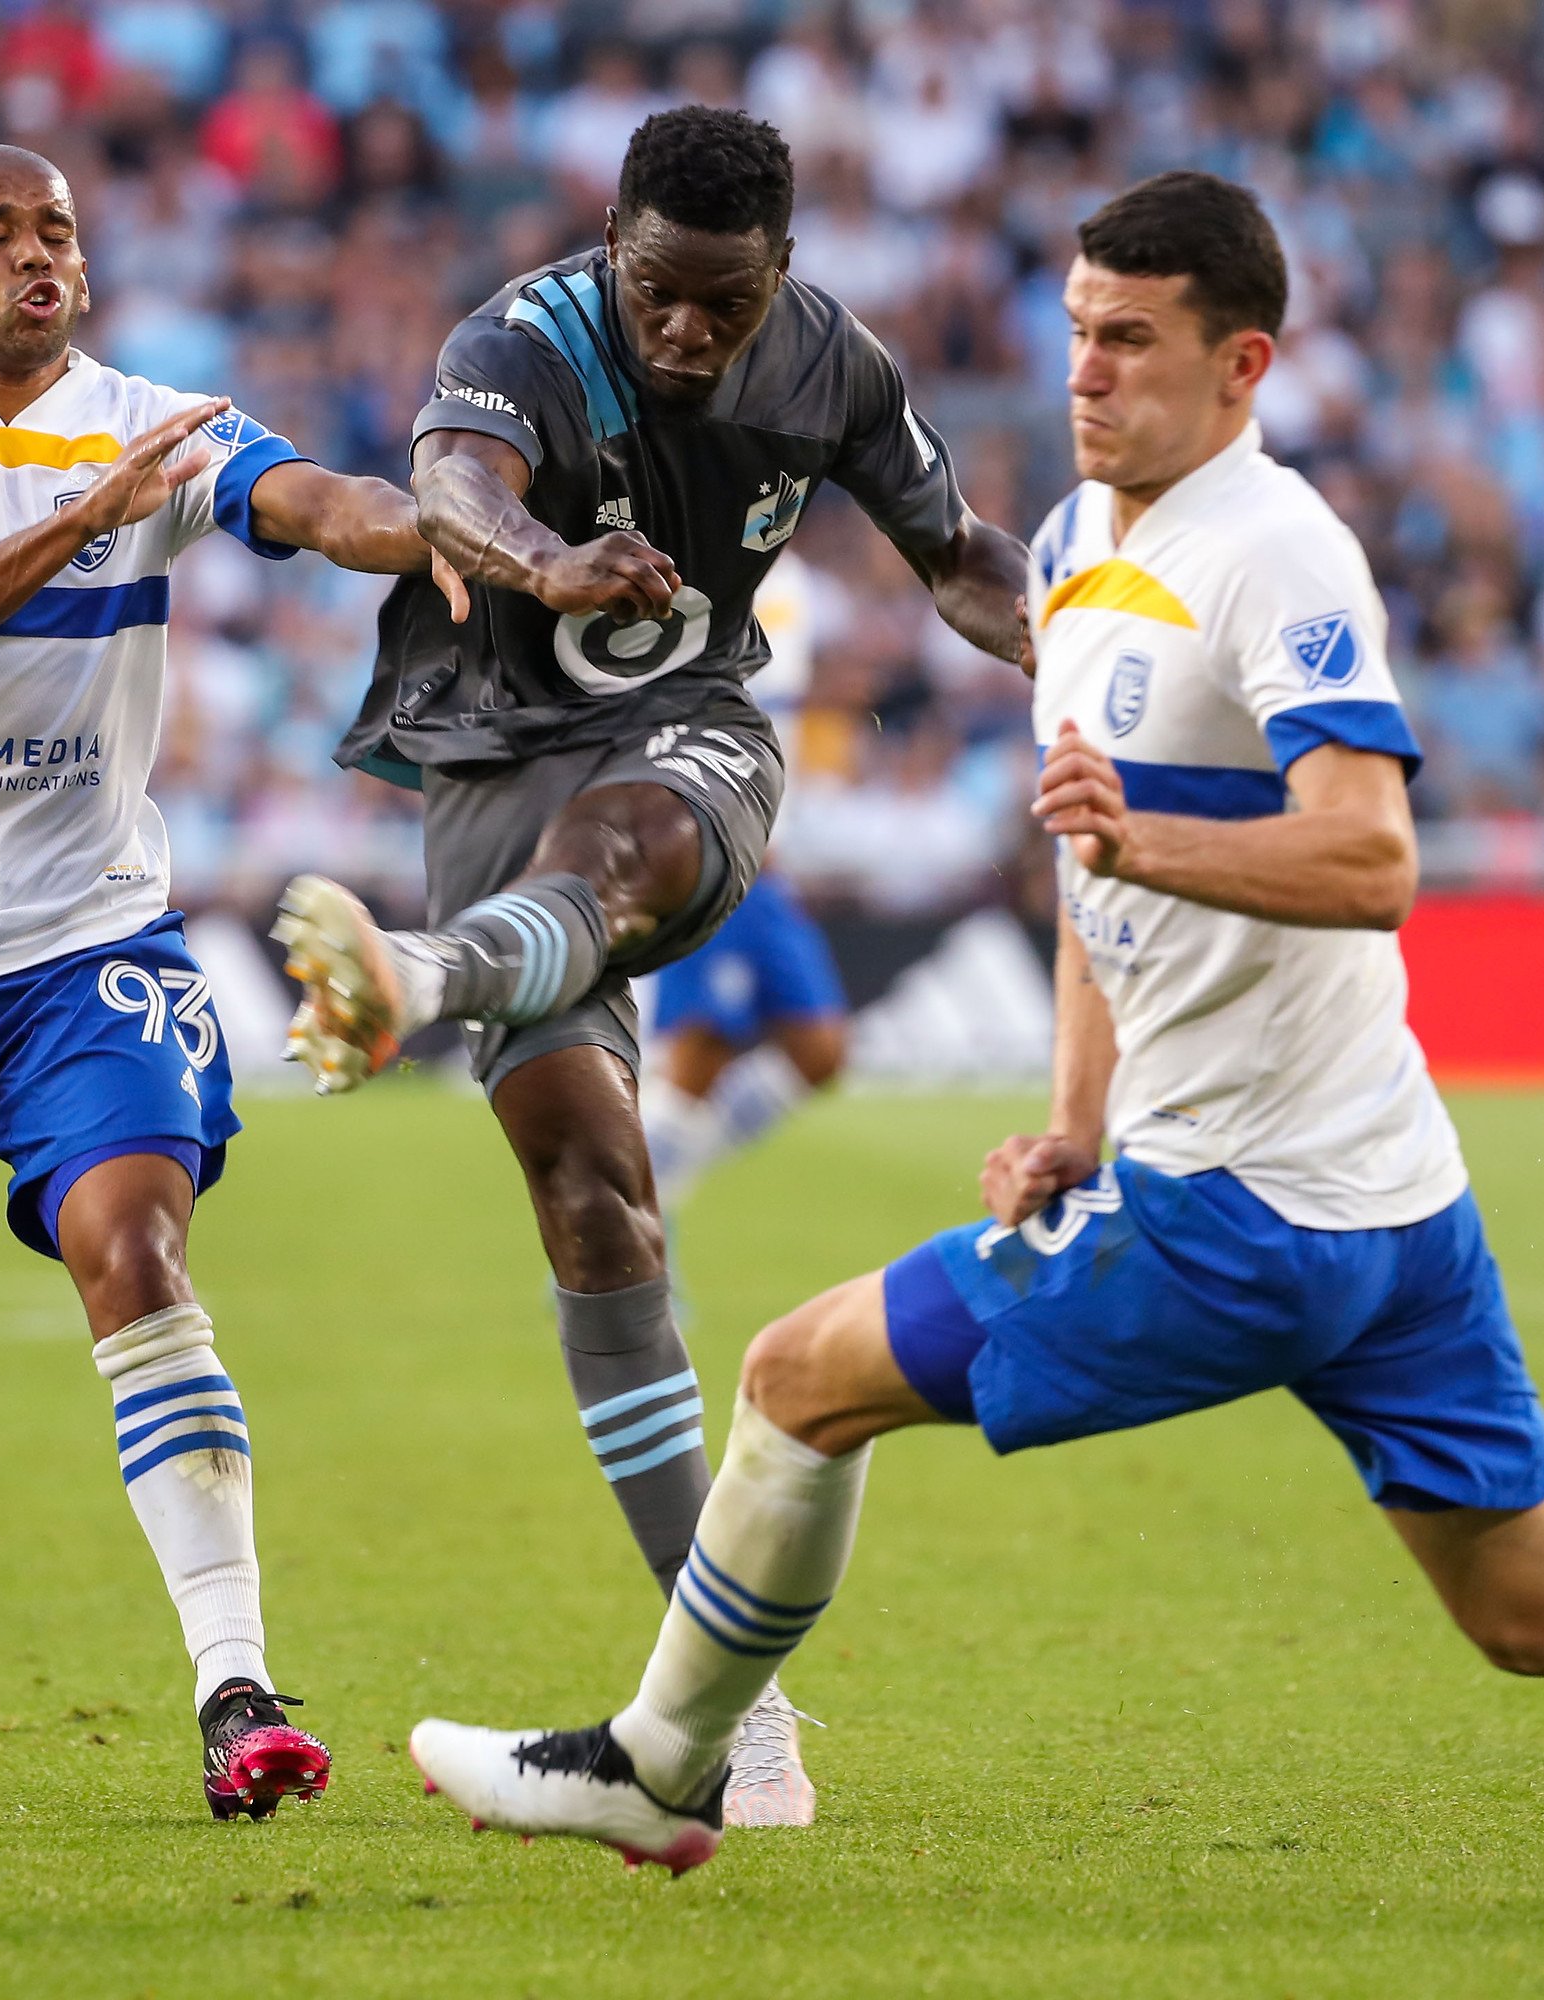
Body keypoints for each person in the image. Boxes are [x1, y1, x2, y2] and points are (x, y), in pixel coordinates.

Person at [404, 170, 1544, 1874]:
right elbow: (1098, 891)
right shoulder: (1079, 553)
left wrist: (1135, 834)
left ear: (1241, 367)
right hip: (1391, 1203)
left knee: (794, 1381)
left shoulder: (1276, 551)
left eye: (1133, 342)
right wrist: (1074, 1115)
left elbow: (1372, 855)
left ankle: (655, 1766)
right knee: (1517, 1612)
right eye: (1076, 332)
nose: (1085, 372)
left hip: (1238, 1215)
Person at [273, 107, 1031, 1826]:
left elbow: (953, 556)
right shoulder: (517, 342)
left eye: (727, 303)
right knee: (592, 1203)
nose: (689, 332)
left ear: (780, 272)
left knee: (626, 849)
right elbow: (454, 492)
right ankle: (727, 1725)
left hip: (684, 738)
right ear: (611, 238)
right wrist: (547, 559)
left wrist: (1073, 638)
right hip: (487, 761)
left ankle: (419, 980)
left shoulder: (833, 361)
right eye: (660, 293)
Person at [0, 144, 457, 1820]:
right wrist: (83, 516)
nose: (37, 253)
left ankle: (235, 1687)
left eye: (56, 228)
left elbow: (313, 504)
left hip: (85, 946)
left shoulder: (156, 418)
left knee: (130, 1247)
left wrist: (446, 537)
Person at [641, 553, 850, 1211]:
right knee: (697, 1056)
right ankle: (634, 1238)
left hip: (768, 858)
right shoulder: (693, 555)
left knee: (822, 1048)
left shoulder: (794, 581)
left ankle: (655, 1181)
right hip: (711, 844)